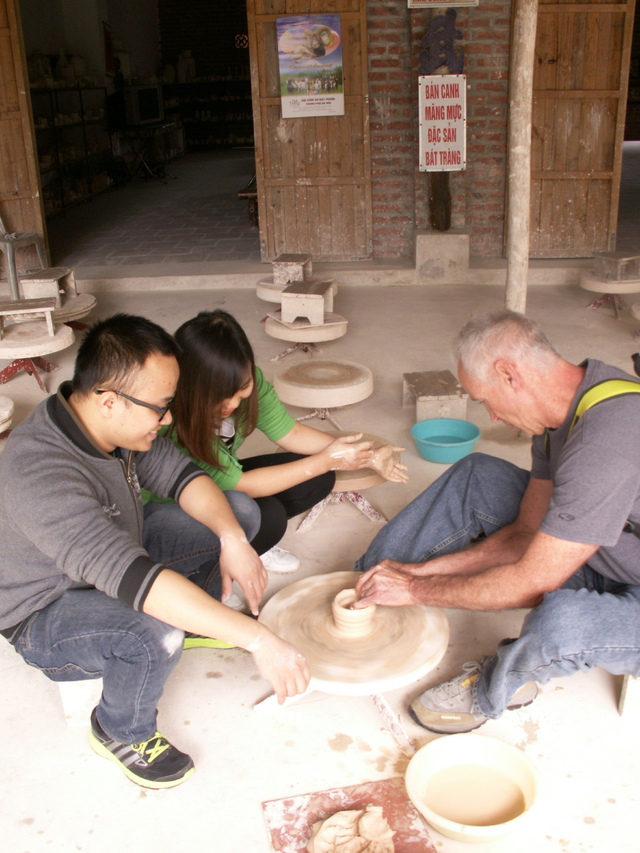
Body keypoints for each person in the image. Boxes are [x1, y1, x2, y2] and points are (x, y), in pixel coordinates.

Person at [0, 313, 309, 789]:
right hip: (46, 607)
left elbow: (186, 478)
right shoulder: (40, 475)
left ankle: (195, 616)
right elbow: (134, 579)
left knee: (238, 516)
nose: (167, 420)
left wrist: (231, 540)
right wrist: (261, 641)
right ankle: (120, 729)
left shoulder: (111, 427)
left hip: (116, 548)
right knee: (154, 630)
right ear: (108, 401)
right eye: (160, 407)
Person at [353, 309, 640, 734]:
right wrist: (416, 571)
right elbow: (524, 535)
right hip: (607, 548)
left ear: (510, 375)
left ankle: (495, 689)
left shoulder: (609, 436)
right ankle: (365, 586)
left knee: (562, 622)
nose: (491, 417)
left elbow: (530, 581)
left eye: (484, 399)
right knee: (478, 475)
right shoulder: (558, 415)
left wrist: (416, 589)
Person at [143, 309, 408, 580]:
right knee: (267, 517)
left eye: (241, 388)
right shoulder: (176, 426)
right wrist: (328, 459)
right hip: (173, 508)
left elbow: (290, 433)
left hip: (224, 481)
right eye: (219, 396)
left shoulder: (249, 381)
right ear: (190, 386)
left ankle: (247, 545)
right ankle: (205, 570)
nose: (233, 403)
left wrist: (368, 455)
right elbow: (246, 485)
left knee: (317, 479)